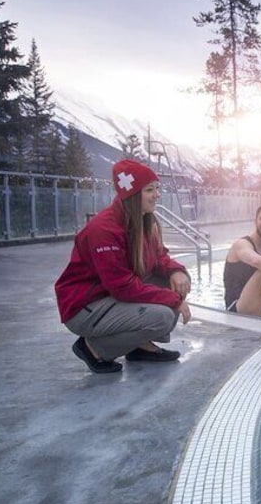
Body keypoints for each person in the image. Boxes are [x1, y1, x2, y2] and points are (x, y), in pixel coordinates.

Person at [55, 159, 192, 374]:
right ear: (132, 195)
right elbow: (122, 287)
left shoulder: (143, 221)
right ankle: (93, 348)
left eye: (157, 188)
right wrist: (173, 301)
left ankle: (140, 347)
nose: (157, 194)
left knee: (172, 284)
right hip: (84, 305)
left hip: (107, 296)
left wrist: (176, 271)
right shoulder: (104, 230)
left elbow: (158, 257)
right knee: (163, 315)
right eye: (150, 190)